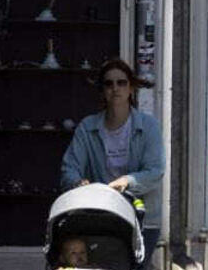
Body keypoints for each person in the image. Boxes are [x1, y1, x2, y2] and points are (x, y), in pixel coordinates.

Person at [59, 58, 166, 212]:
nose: (115, 88)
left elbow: (155, 170)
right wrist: (78, 183)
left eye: (121, 83)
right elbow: (69, 168)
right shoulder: (87, 127)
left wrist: (127, 181)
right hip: (99, 211)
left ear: (131, 88)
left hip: (140, 213)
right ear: (102, 91)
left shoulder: (149, 126)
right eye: (109, 84)